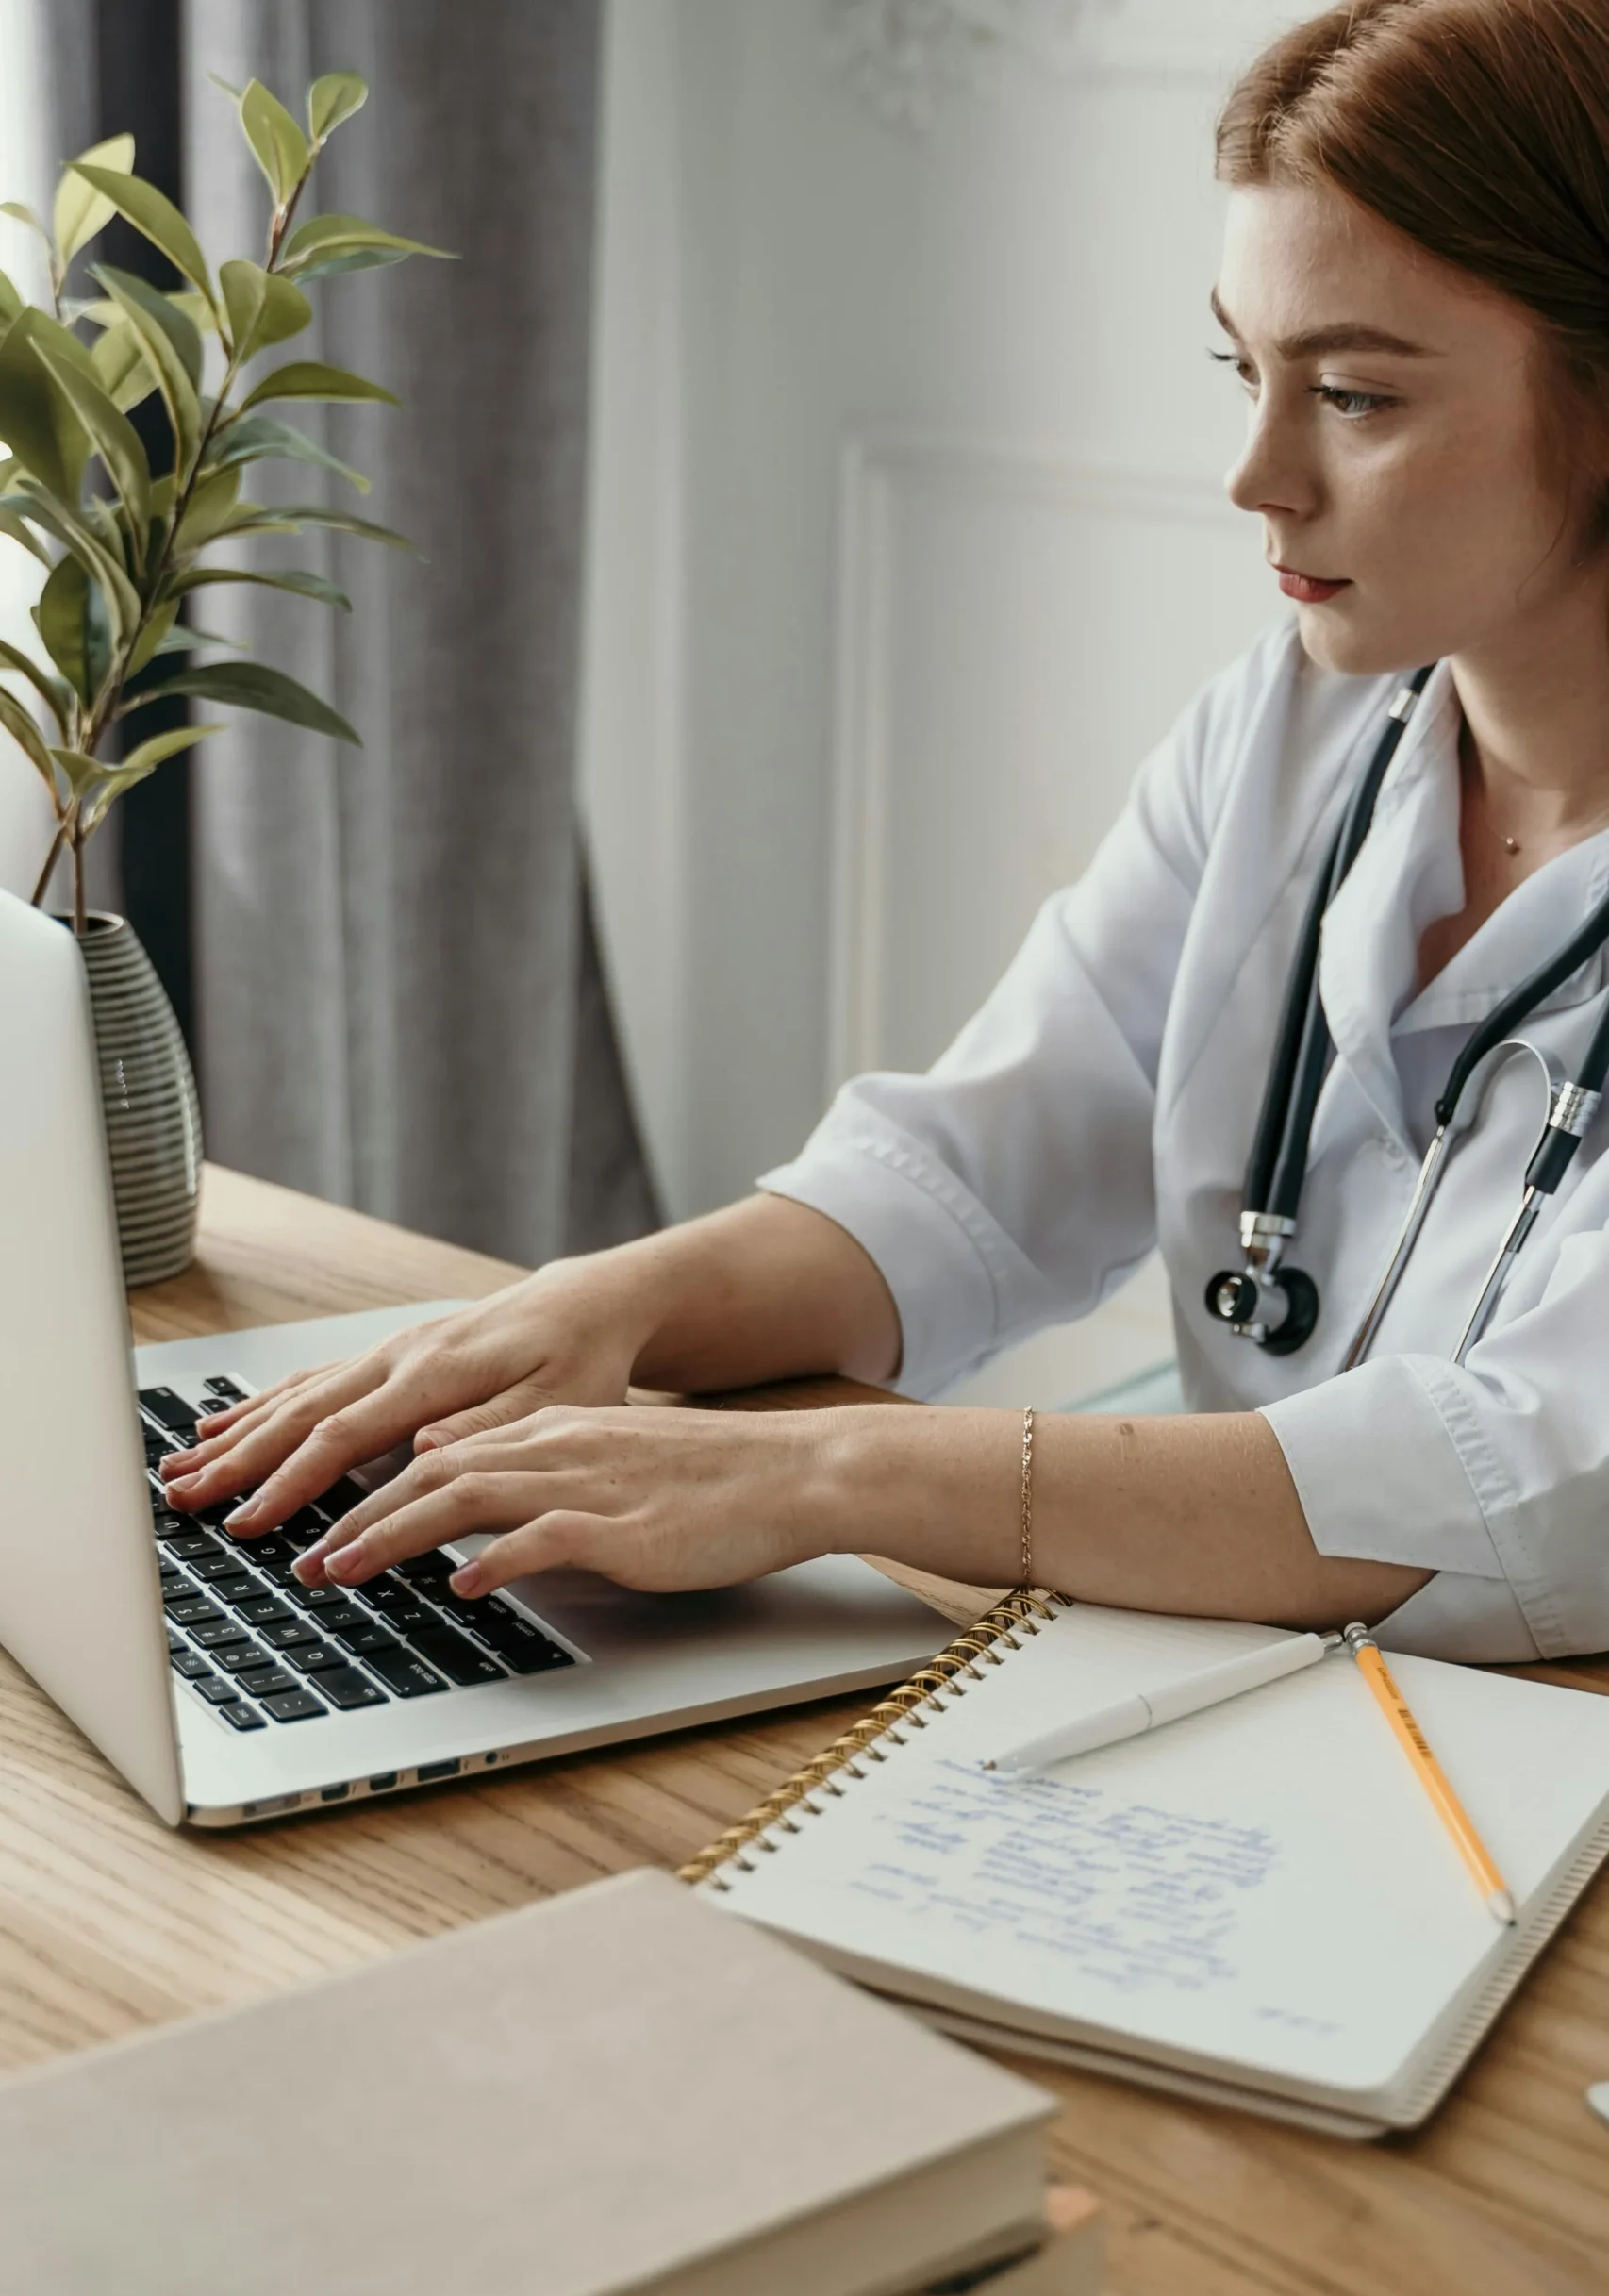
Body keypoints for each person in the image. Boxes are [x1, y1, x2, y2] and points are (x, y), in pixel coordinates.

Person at [163, 0, 1609, 1663]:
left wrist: (832, 1468)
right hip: (1245, 1693)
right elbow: (977, 1170)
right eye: (1241, 369)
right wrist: (599, 1306)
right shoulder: (1288, 732)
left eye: (1352, 396)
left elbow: (1545, 1473)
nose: (1253, 474)